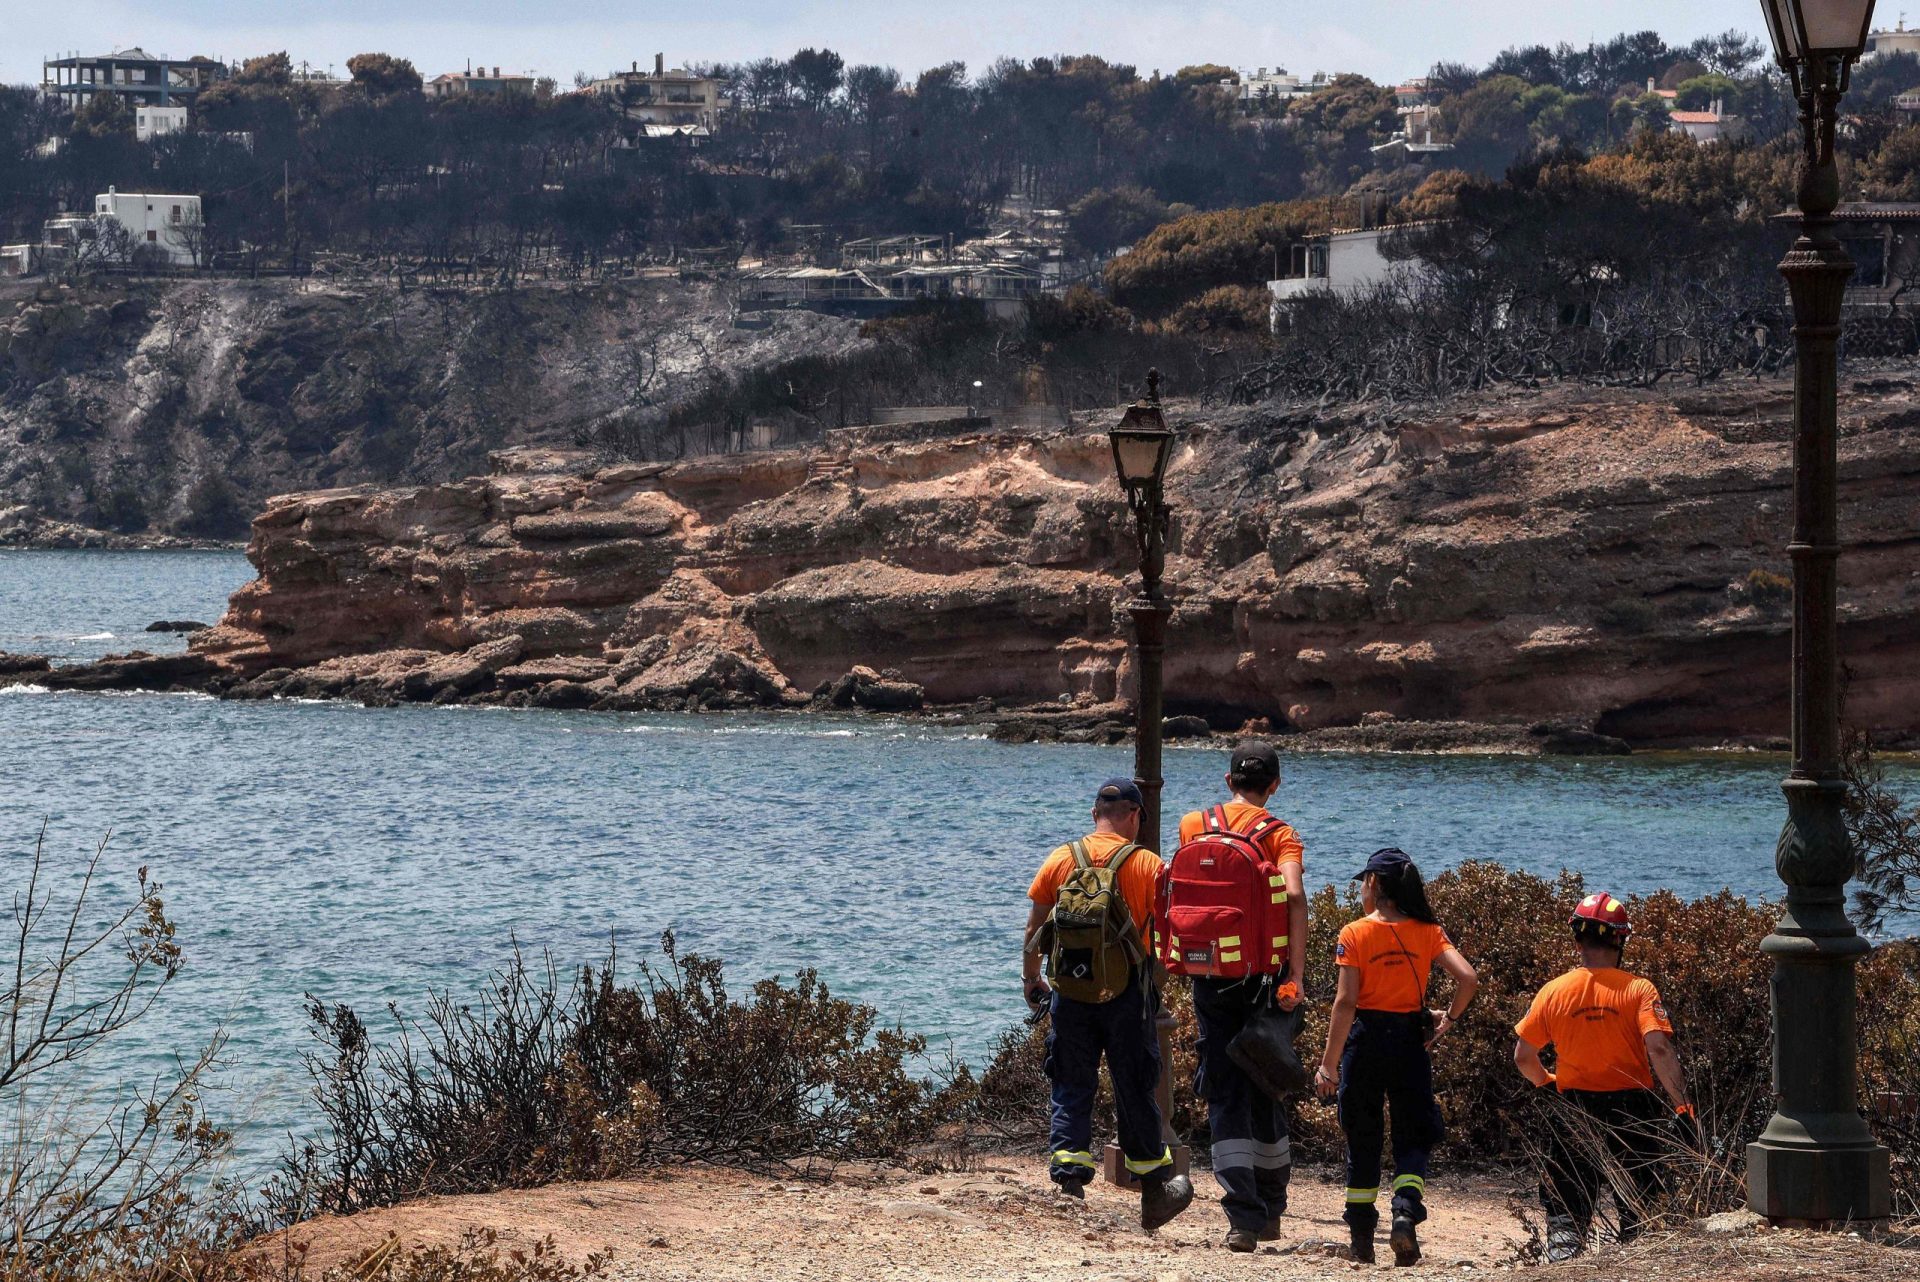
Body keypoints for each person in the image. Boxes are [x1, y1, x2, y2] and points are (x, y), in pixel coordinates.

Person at [1022, 778, 1196, 1231]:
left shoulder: (1061, 859)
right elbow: (1170, 935)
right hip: (1128, 997)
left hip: (1069, 993)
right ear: (1136, 815)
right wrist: (1157, 981)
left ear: (1094, 812)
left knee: (1069, 1080)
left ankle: (1068, 1181)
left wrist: (1031, 979)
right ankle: (1154, 1188)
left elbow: (1035, 931)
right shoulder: (1148, 865)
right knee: (1135, 1086)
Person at [1315, 849, 1478, 1267]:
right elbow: (1467, 977)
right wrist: (1450, 1019)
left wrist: (1328, 1065)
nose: (1361, 890)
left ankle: (1362, 1239)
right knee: (1414, 1132)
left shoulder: (1354, 933)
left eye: (1364, 882)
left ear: (1377, 884)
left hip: (1365, 1040)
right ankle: (1405, 1211)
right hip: (1409, 1040)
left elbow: (1345, 1002)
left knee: (1362, 1134)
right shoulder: (1427, 930)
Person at [1174, 741, 1308, 1253]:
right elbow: (1293, 896)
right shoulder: (1280, 834)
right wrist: (1294, 974)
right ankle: (1272, 1205)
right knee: (1267, 1079)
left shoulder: (1192, 825)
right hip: (1263, 977)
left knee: (1225, 1090)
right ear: (1274, 785)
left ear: (1228, 781)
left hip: (1208, 974)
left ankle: (1242, 1219)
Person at [1512, 893, 1696, 1263]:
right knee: (1640, 1212)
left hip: (1574, 1110)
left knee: (1566, 1212)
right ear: (1619, 939)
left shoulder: (1554, 991)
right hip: (1633, 1113)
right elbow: (1658, 1050)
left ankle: (1564, 1268)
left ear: (1577, 939)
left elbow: (1523, 1057)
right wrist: (1682, 1106)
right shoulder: (1638, 990)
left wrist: (1548, 1084)